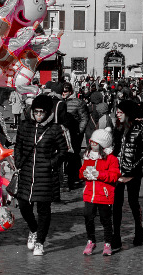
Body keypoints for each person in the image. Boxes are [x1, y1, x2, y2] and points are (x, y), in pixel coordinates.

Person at [14, 93, 69, 256]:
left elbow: (64, 151)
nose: (38, 116)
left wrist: (52, 163)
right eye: (36, 112)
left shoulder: (55, 129)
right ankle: (33, 229)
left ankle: (40, 241)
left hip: (45, 175)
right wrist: (18, 161)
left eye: (41, 113)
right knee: (24, 206)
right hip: (26, 173)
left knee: (44, 210)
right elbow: (18, 145)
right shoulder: (24, 126)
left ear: (48, 113)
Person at [112, 97, 143, 245]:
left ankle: (138, 230)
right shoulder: (118, 127)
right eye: (117, 111)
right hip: (117, 172)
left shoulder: (140, 127)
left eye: (120, 112)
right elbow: (115, 149)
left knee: (133, 202)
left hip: (133, 173)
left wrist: (134, 169)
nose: (117, 114)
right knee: (116, 203)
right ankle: (116, 235)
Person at [80, 126, 121, 256]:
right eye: (91, 142)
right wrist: (84, 173)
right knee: (88, 217)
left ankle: (107, 242)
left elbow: (115, 175)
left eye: (95, 143)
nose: (92, 144)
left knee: (105, 220)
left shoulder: (111, 159)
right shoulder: (88, 157)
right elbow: (81, 172)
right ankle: (91, 240)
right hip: (89, 194)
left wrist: (99, 174)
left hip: (104, 194)